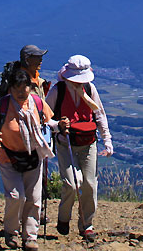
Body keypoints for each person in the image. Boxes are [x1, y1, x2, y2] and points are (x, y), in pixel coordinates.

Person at [0, 68, 56, 250]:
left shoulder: (38, 104)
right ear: (10, 89)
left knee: (33, 198)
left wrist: (60, 125)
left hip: (33, 155)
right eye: (16, 87)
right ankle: (11, 231)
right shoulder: (2, 106)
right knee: (16, 196)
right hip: (9, 157)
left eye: (24, 87)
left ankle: (30, 237)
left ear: (30, 87)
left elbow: (48, 122)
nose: (20, 92)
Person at [45, 55, 113, 242]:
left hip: (88, 143)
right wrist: (57, 125)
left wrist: (107, 140)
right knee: (71, 183)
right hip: (65, 142)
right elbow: (44, 116)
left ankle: (87, 224)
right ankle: (63, 218)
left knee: (90, 184)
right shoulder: (57, 91)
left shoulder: (90, 89)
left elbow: (99, 115)